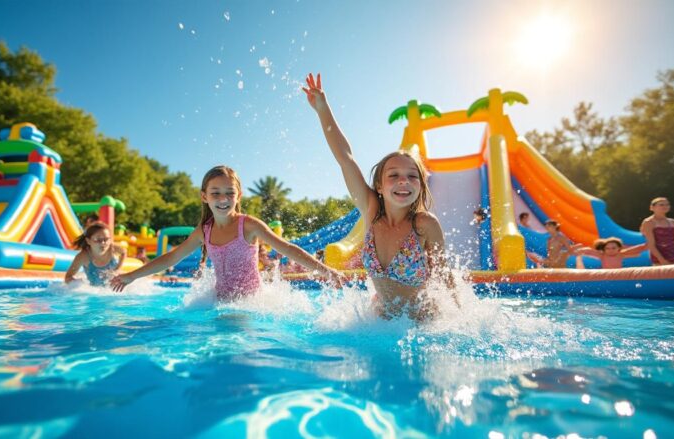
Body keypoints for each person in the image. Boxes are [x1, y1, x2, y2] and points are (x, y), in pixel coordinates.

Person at [302, 73, 458, 320]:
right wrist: (322, 109)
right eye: (393, 175)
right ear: (379, 185)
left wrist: (458, 319)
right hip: (380, 321)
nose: (403, 181)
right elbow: (345, 158)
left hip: (420, 323)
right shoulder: (371, 211)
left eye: (412, 176)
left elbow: (444, 276)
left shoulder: (425, 224)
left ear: (420, 186)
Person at [110, 165, 344, 299]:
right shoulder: (205, 230)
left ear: (238, 196)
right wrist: (132, 276)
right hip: (219, 300)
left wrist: (327, 271)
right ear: (204, 197)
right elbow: (172, 257)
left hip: (250, 302)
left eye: (229, 193)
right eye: (215, 193)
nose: (223, 199)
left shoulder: (248, 225)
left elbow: (287, 249)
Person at [65, 222, 127, 286]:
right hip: (95, 291)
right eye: (98, 240)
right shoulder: (83, 256)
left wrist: (118, 269)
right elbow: (68, 277)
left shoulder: (112, 248)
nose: (103, 243)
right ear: (88, 241)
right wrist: (80, 285)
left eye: (106, 239)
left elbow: (124, 252)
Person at [640, 197, 674, 265]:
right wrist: (662, 260)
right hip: (659, 259)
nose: (665, 206)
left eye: (667, 204)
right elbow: (651, 245)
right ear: (652, 207)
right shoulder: (649, 222)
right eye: (661, 205)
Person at [571, 237, 646, 269]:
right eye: (607, 248)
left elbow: (636, 250)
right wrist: (579, 251)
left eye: (613, 248)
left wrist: (647, 245)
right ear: (603, 249)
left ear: (619, 248)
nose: (611, 250)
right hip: (605, 273)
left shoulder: (621, 254)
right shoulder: (602, 255)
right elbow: (589, 251)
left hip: (618, 273)